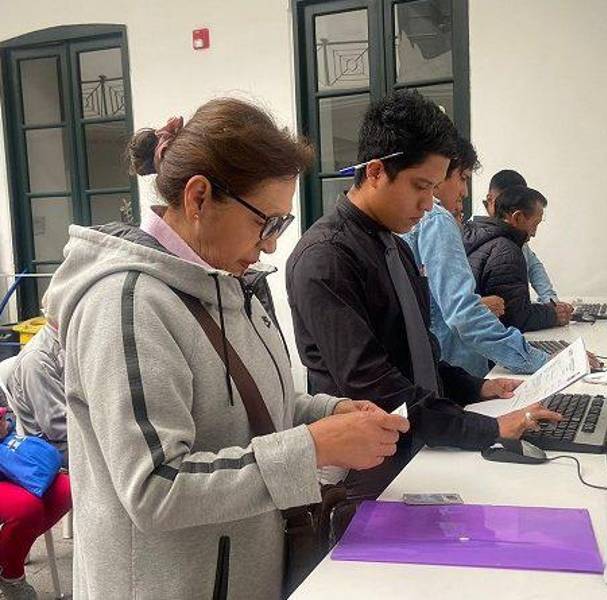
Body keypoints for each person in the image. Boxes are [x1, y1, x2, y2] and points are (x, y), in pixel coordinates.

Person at [43, 98, 408, 599]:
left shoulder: (227, 283)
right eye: (268, 222)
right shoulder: (127, 304)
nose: (272, 244)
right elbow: (155, 487)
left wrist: (329, 411)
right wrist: (315, 446)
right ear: (198, 198)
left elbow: (245, 405)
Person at [286, 91, 560, 495]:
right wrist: (490, 428)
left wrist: (477, 387)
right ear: (376, 172)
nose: (429, 203)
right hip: (368, 471)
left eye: (434, 188)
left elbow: (420, 355)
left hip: (417, 445)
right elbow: (377, 387)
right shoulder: (326, 258)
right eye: (419, 186)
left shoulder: (394, 244)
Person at [401, 136, 550, 377]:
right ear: (440, 174)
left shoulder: (423, 222)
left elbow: (437, 303)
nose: (465, 191)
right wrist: (542, 361)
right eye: (463, 178)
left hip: (443, 367)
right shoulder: (438, 220)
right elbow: (461, 314)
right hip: (458, 368)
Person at [465, 185, 569, 332]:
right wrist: (554, 314)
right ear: (517, 217)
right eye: (535, 224)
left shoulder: (478, 237)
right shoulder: (507, 250)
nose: (534, 233)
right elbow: (515, 318)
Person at [0, 411, 72, 600]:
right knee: (26, 507)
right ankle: (11, 574)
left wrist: (6, 423)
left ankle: (9, 553)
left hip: (9, 459)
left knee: (66, 489)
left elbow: (9, 413)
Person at [484, 170, 569, 310]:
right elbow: (515, 314)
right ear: (490, 199)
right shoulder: (478, 235)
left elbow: (534, 267)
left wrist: (552, 302)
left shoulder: (515, 236)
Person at [4, 322, 68, 466]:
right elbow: (57, 428)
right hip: (55, 447)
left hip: (68, 436)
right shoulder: (37, 359)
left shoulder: (66, 342)